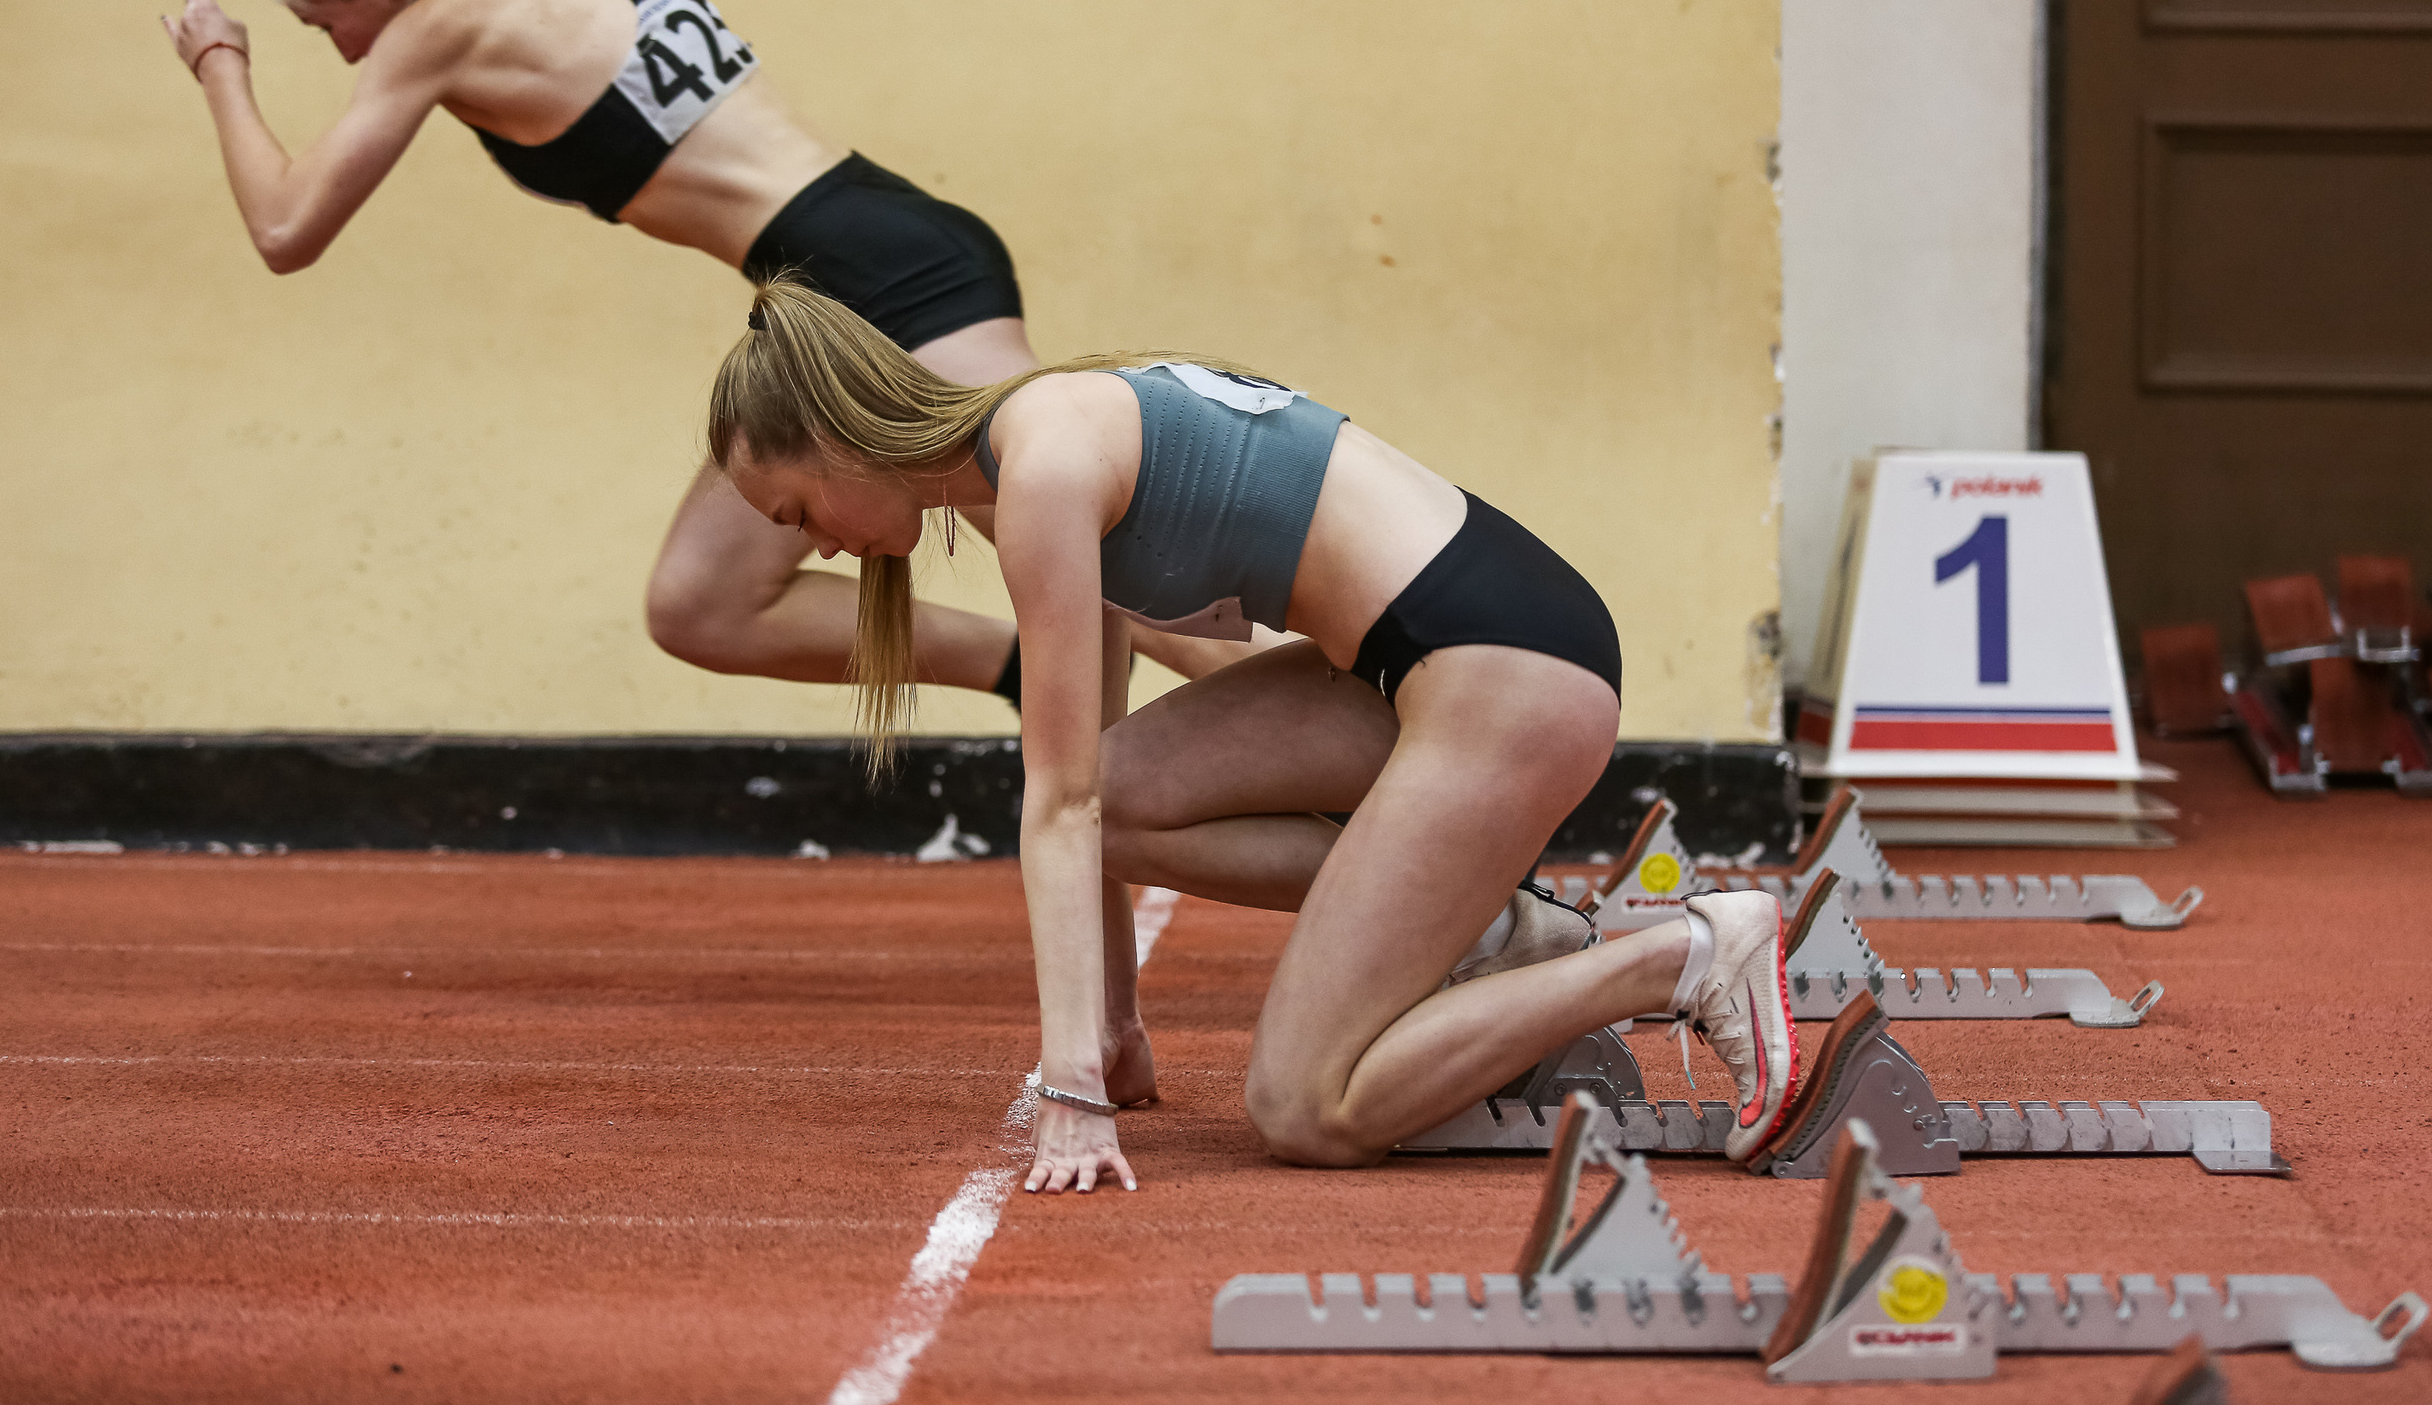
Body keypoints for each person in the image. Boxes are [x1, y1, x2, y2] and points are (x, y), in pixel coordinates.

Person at [158, 0, 1249, 707]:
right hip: (860, 257)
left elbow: (286, 229)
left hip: (876, 279)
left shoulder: (434, 29)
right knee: (702, 601)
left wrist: (221, 66)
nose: (346, 53)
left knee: (1101, 559)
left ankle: (1330, 718)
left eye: (326, 26)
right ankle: (1029, 671)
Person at [707, 279, 1806, 1192]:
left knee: (1308, 1109)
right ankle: (1494, 932)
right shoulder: (1029, 450)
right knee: (1126, 794)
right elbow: (1094, 778)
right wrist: (1112, 1031)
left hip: (1507, 669)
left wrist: (1071, 1091)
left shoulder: (1040, 467)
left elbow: (1057, 804)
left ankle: (1687, 955)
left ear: (837, 438)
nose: (818, 549)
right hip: (1424, 656)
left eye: (797, 513)